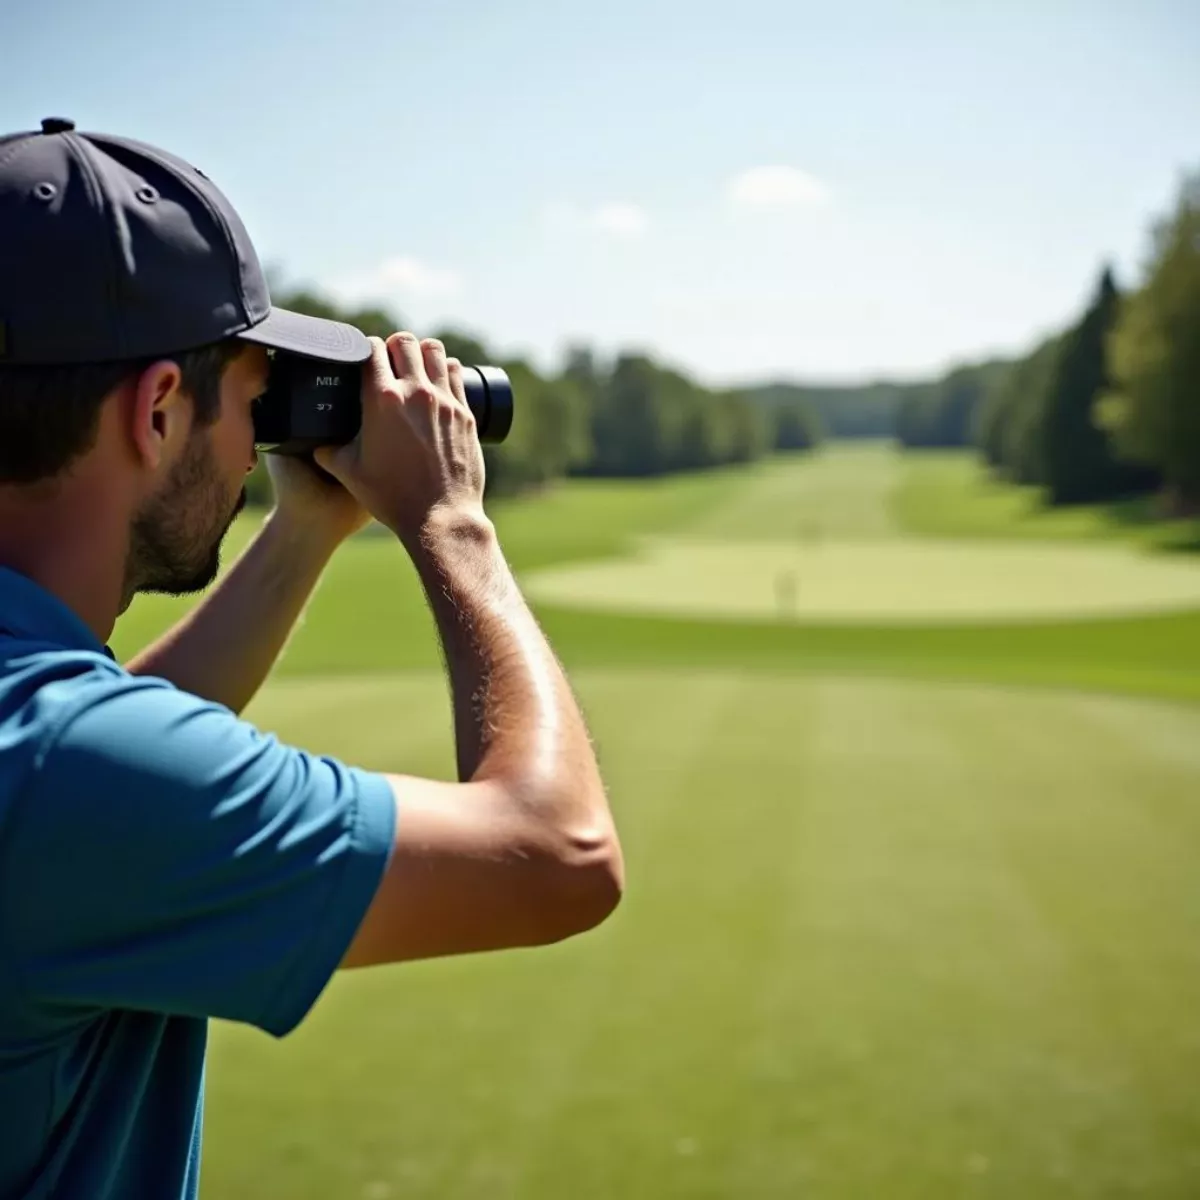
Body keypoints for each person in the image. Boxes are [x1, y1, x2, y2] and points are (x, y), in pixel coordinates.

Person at [0, 118, 623, 1199]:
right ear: (156, 409)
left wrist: (304, 533)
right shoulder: (69, 777)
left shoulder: (47, 754)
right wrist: (450, 521)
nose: (256, 445)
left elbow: (83, 770)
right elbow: (560, 856)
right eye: (250, 396)